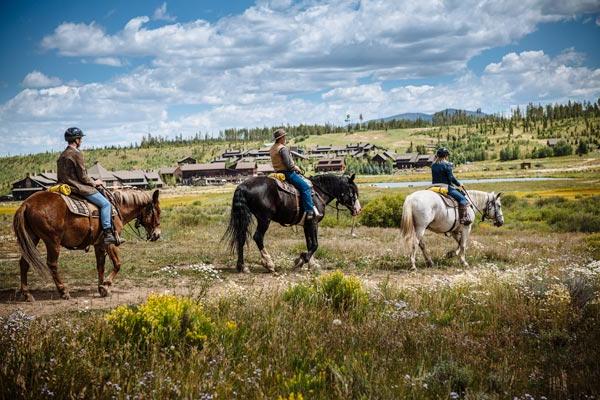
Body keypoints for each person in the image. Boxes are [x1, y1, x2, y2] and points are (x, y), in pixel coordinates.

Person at [57, 127, 120, 245]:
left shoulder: (62, 155)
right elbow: (83, 177)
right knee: (106, 204)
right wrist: (95, 182)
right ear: (76, 140)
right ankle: (107, 232)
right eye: (80, 138)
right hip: (78, 188)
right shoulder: (76, 154)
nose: (81, 141)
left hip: (65, 187)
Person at [269, 128, 320, 220]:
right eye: (285, 137)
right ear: (281, 138)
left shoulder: (272, 149)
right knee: (305, 187)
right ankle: (309, 211)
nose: (286, 138)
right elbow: (288, 165)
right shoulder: (282, 148)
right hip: (288, 173)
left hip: (277, 173)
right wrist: (296, 167)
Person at [431, 147, 472, 225]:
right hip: (445, 187)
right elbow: (451, 178)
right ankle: (463, 218)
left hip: (433, 187)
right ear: (446, 156)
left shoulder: (433, 165)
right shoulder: (447, 165)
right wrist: (459, 184)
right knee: (463, 199)